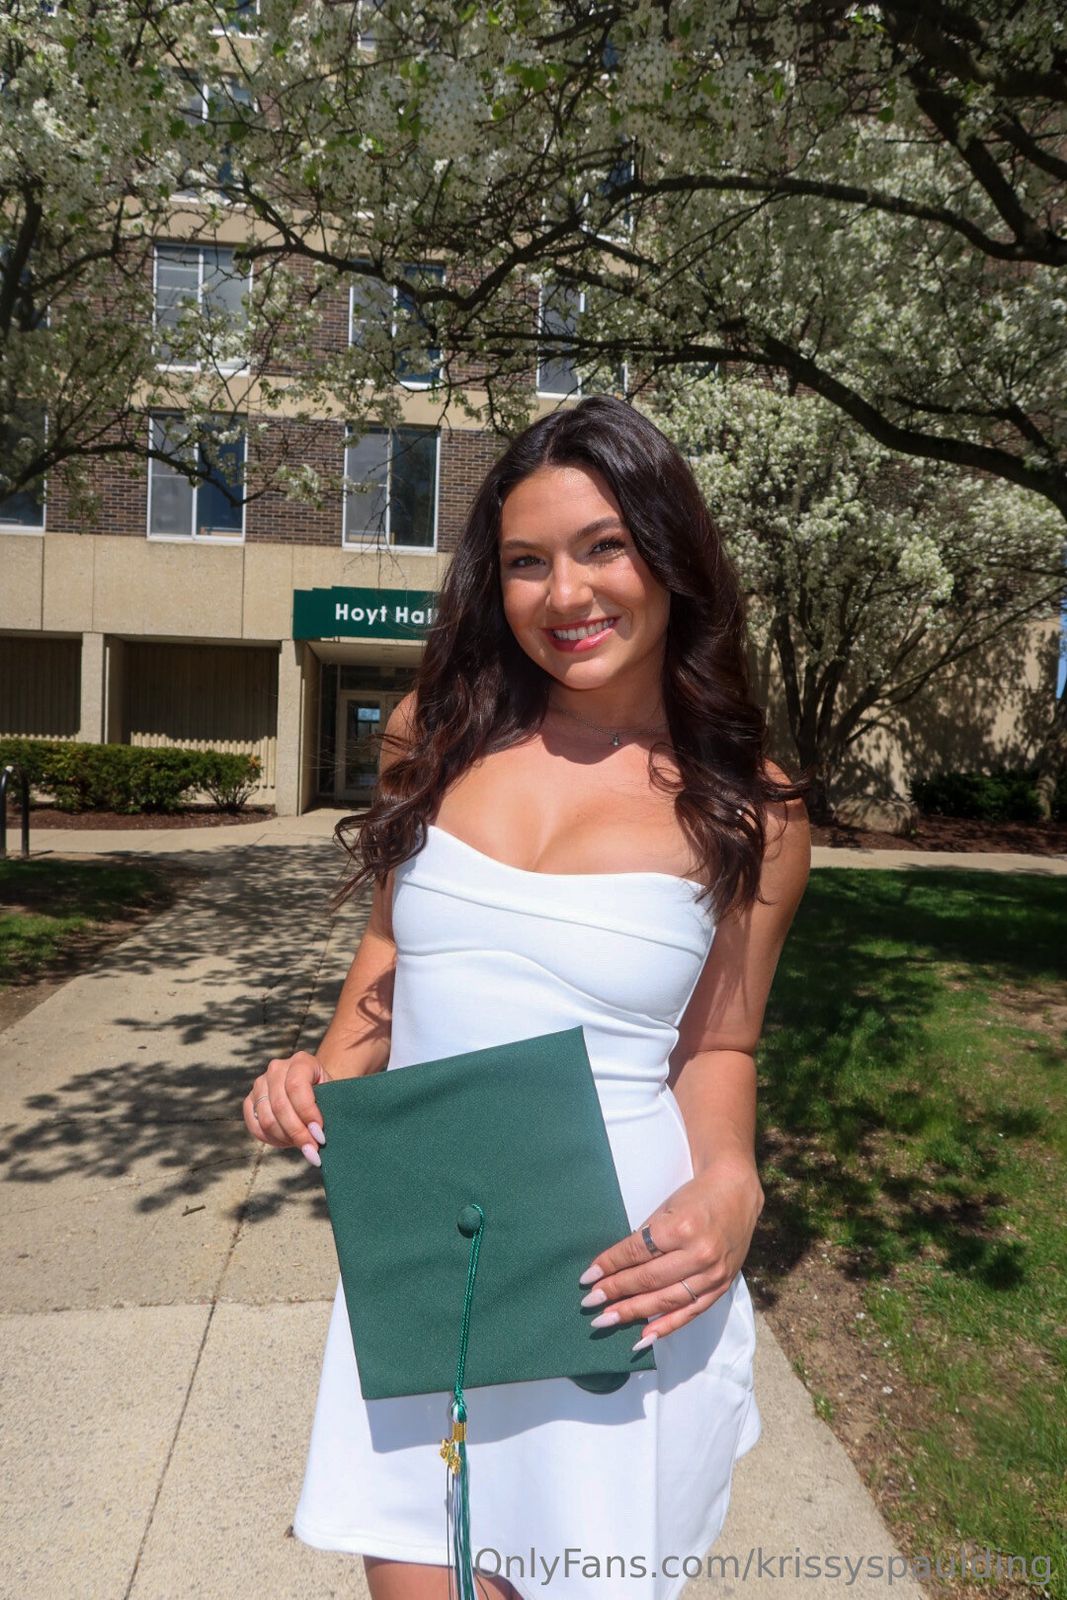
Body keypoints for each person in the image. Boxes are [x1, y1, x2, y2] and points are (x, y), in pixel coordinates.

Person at [242, 393, 812, 1600]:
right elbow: (389, 953)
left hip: (611, 1269)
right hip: (426, 1249)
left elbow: (719, 1041)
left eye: (604, 546)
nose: (566, 594)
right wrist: (316, 1078)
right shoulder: (433, 733)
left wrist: (732, 1183)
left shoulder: (749, 809)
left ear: (670, 555)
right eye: (525, 562)